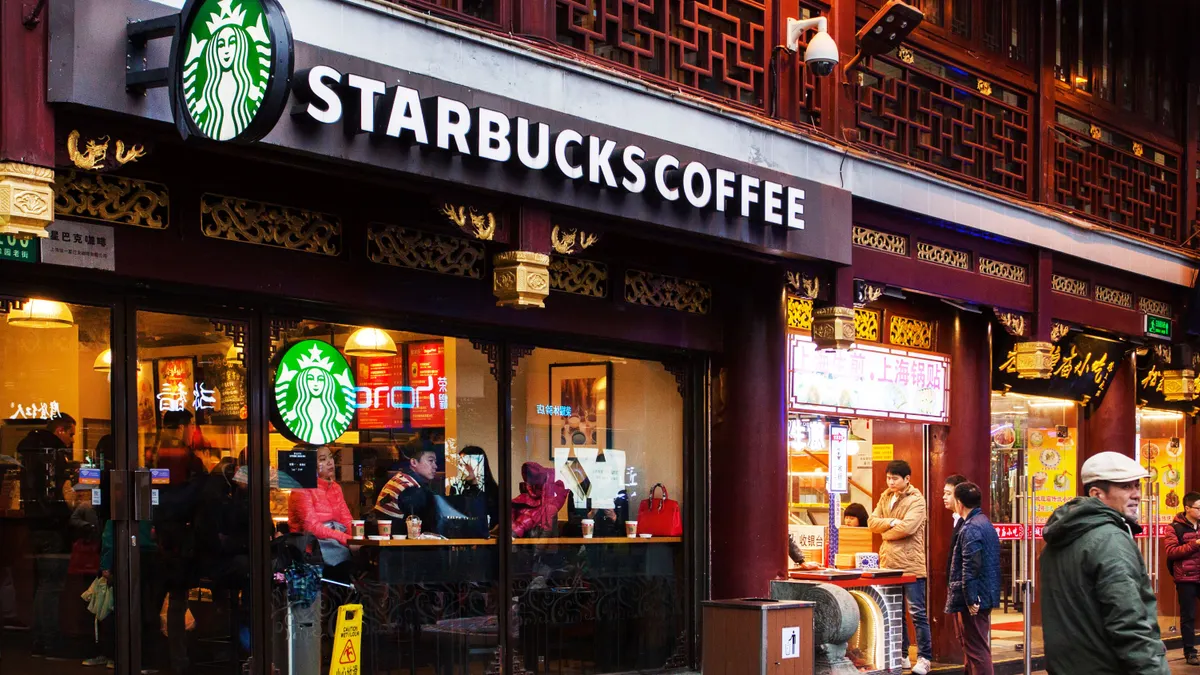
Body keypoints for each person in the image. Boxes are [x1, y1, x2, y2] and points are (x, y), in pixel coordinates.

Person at [1040, 451, 1168, 675]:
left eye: (1137, 486)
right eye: (1126, 487)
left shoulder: (1061, 535)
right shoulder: (1110, 540)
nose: (1137, 494)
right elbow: (1129, 623)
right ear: (1096, 493)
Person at [868, 459, 930, 675]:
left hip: (912, 565)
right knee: (895, 611)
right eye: (888, 477)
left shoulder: (917, 500)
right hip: (888, 563)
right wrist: (892, 522)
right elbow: (871, 522)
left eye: (894, 478)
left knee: (917, 612)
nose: (890, 481)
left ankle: (924, 657)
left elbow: (908, 528)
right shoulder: (885, 496)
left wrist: (886, 530)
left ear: (907, 479)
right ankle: (902, 654)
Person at [945, 482, 999, 675]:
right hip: (985, 593)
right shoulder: (984, 522)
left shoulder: (971, 528)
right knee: (973, 647)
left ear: (959, 503)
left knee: (977, 650)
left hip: (976, 597)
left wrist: (971, 598)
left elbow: (971, 566)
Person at [288, 446, 354, 574]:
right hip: (312, 550)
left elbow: (347, 519)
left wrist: (357, 539)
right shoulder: (301, 488)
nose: (330, 462)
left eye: (330, 457)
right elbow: (312, 527)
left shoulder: (336, 488)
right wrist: (346, 539)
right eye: (323, 459)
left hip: (336, 543)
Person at [1165, 491, 1200, 666]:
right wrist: (1195, 543)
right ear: (1187, 508)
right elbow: (1171, 552)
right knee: (1188, 616)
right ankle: (1190, 652)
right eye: (1199, 508)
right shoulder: (1174, 528)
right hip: (1185, 578)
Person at [375, 443, 439, 534]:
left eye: (435, 462)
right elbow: (421, 524)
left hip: (386, 539)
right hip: (397, 543)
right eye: (430, 461)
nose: (435, 466)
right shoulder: (411, 488)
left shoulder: (402, 478)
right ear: (414, 462)